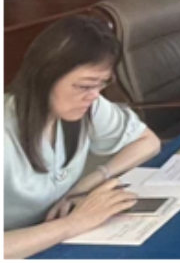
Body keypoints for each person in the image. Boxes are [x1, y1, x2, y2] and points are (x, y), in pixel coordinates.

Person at [4, 16, 161, 258]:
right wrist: (74, 223)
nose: (95, 96)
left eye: (101, 84)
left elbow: (148, 142)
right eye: (84, 86)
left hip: (53, 239)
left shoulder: (86, 105)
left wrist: (88, 183)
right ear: (44, 76)